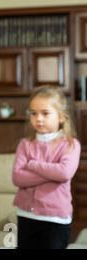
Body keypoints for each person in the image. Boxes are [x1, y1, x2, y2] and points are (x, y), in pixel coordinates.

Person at [12, 85, 80, 249]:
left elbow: (64, 173)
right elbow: (17, 177)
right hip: (26, 215)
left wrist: (32, 165)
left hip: (55, 219)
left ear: (61, 117)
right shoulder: (25, 144)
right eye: (33, 113)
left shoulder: (70, 144)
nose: (38, 118)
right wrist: (52, 172)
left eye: (45, 113)